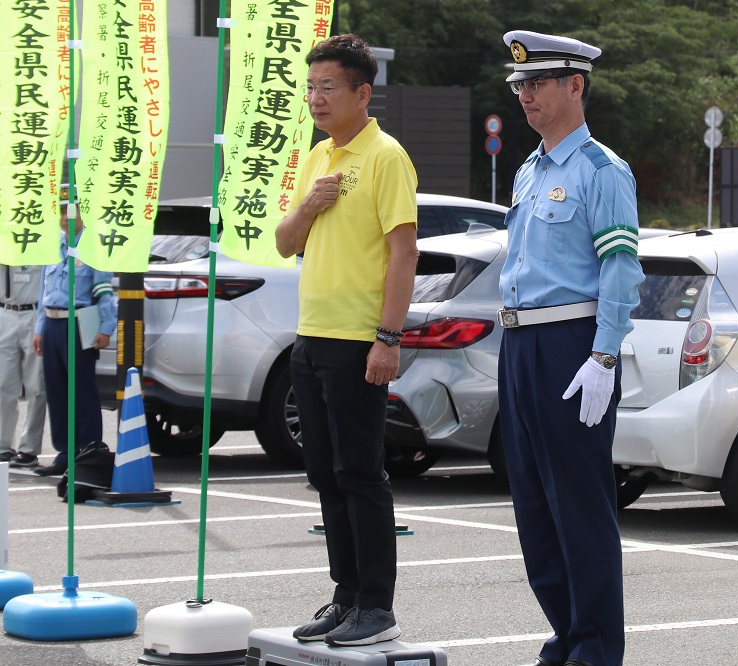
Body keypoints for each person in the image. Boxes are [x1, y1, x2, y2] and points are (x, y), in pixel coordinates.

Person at [496, 30, 644, 666]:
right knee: (532, 503)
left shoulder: (602, 170)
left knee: (579, 504)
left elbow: (620, 268)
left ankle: (596, 647)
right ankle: (568, 630)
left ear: (574, 86)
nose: (524, 95)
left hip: (569, 344)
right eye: (519, 86)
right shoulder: (529, 169)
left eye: (536, 83)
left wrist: (604, 355)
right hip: (519, 343)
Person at [274, 33, 418, 647]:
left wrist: (387, 338)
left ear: (363, 91)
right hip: (309, 338)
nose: (315, 98)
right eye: (311, 87)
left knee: (360, 472)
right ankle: (345, 595)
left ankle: (376, 606)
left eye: (327, 86)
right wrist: (309, 204)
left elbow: (403, 253)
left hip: (359, 340)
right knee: (325, 474)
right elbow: (284, 243)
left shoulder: (386, 156)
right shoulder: (315, 160)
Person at [32, 187, 116, 477]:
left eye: (72, 211)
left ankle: (87, 449)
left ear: (83, 213)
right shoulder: (52, 246)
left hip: (82, 320)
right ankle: (65, 452)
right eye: (61, 212)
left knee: (81, 389)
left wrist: (106, 328)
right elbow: (45, 289)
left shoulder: (92, 245)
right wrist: (40, 328)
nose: (66, 218)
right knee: (56, 390)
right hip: (53, 322)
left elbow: (104, 291)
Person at [0, 260, 46, 469]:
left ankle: (29, 448)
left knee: (36, 386)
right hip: (5, 311)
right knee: (3, 384)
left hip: (34, 312)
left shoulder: (45, 240)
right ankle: (2, 445)